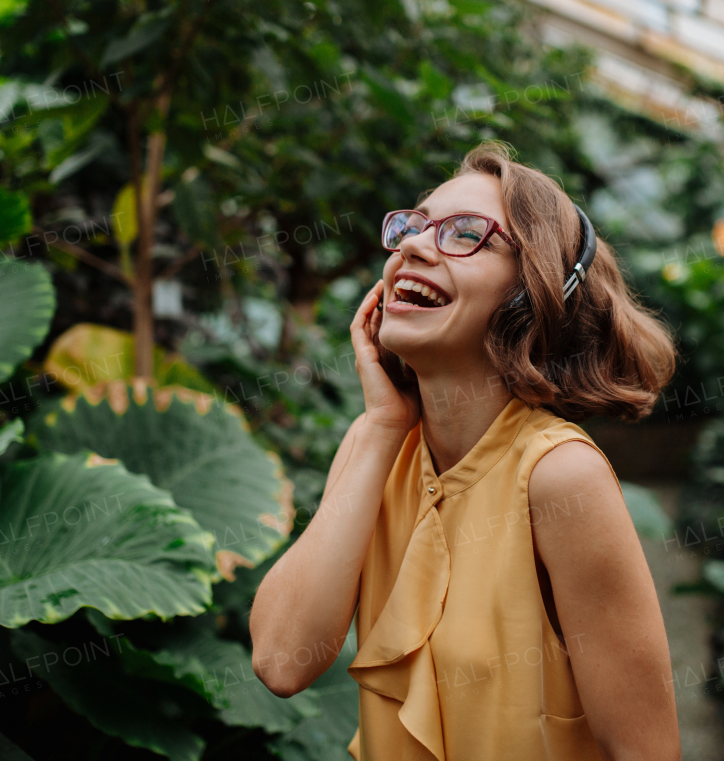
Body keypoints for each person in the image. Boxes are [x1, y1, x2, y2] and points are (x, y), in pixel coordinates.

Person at [250, 142, 680, 760]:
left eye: (466, 234)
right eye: (412, 227)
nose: (414, 246)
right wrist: (378, 426)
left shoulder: (560, 475)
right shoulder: (376, 444)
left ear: (530, 293)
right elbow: (280, 661)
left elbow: (648, 753)